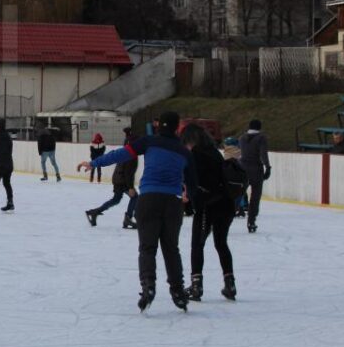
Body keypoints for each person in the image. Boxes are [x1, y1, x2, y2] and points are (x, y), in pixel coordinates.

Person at [78, 111, 197, 313]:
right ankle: (178, 293)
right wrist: (188, 196)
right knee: (171, 249)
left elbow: (121, 154)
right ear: (178, 128)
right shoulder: (184, 152)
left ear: (159, 125)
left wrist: (94, 163)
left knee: (147, 248)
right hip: (172, 203)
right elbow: (193, 182)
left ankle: (148, 287)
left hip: (149, 199)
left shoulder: (149, 142)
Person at [181, 123, 237, 303]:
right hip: (227, 204)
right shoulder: (215, 153)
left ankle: (196, 285)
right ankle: (230, 284)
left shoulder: (196, 155)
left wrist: (188, 202)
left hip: (208, 206)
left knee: (197, 244)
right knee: (221, 243)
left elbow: (195, 183)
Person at [84, 147, 138, 229]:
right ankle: (128, 218)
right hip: (122, 180)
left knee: (116, 199)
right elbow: (128, 172)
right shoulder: (132, 155)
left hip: (118, 178)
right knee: (134, 197)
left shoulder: (126, 152)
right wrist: (130, 187)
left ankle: (94, 212)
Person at [238, 119, 271, 233]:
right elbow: (263, 154)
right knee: (255, 196)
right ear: (260, 127)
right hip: (256, 169)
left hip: (242, 169)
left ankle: (222, 216)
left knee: (238, 194)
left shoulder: (242, 138)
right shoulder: (261, 138)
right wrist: (268, 167)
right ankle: (251, 221)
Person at [222, 136, 247, 217]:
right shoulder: (239, 153)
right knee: (240, 191)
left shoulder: (226, 153)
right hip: (239, 176)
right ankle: (241, 207)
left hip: (228, 176)